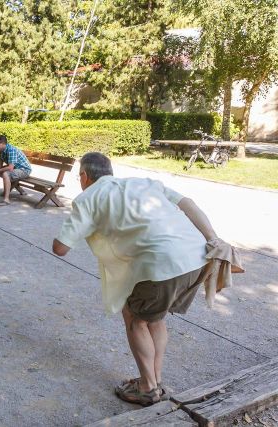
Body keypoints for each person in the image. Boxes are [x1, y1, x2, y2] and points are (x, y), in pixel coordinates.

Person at [52, 152, 242, 406]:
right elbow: (188, 203)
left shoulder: (88, 198)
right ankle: (153, 379)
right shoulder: (144, 182)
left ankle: (149, 387)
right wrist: (213, 238)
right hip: (197, 259)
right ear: (109, 172)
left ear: (84, 177)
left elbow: (61, 248)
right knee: (154, 319)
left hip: (161, 266)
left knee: (135, 320)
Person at [0, 135, 32, 206]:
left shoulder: (11, 150)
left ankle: (6, 200)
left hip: (24, 170)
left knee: (5, 174)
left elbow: (10, 168)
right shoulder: (2, 150)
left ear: (3, 143)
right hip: (16, 168)